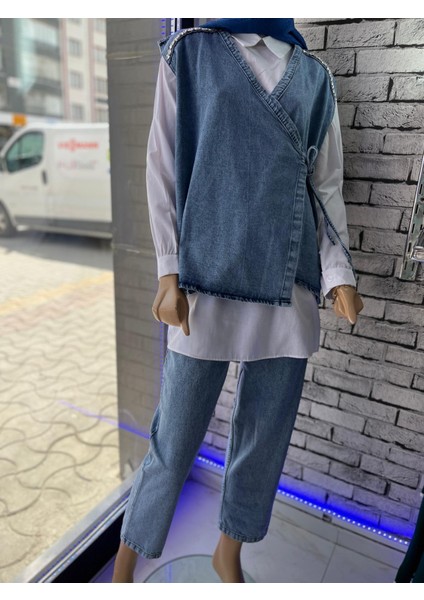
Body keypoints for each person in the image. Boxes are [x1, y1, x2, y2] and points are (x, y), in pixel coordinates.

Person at [112, 18, 364, 583]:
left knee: (262, 441)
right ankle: (126, 561)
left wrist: (338, 272)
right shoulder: (189, 54)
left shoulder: (316, 78)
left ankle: (229, 552)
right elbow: (163, 166)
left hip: (289, 284)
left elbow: (325, 186)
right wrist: (168, 268)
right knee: (174, 437)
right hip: (206, 280)